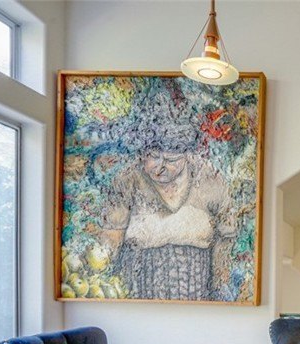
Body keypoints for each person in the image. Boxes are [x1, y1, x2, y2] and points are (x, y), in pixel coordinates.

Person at [98, 87, 237, 301]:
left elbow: (226, 238)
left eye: (172, 160)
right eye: (153, 157)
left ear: (187, 155)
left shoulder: (210, 179)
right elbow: (111, 238)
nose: (160, 167)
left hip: (199, 299)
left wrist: (219, 285)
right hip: (136, 297)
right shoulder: (127, 180)